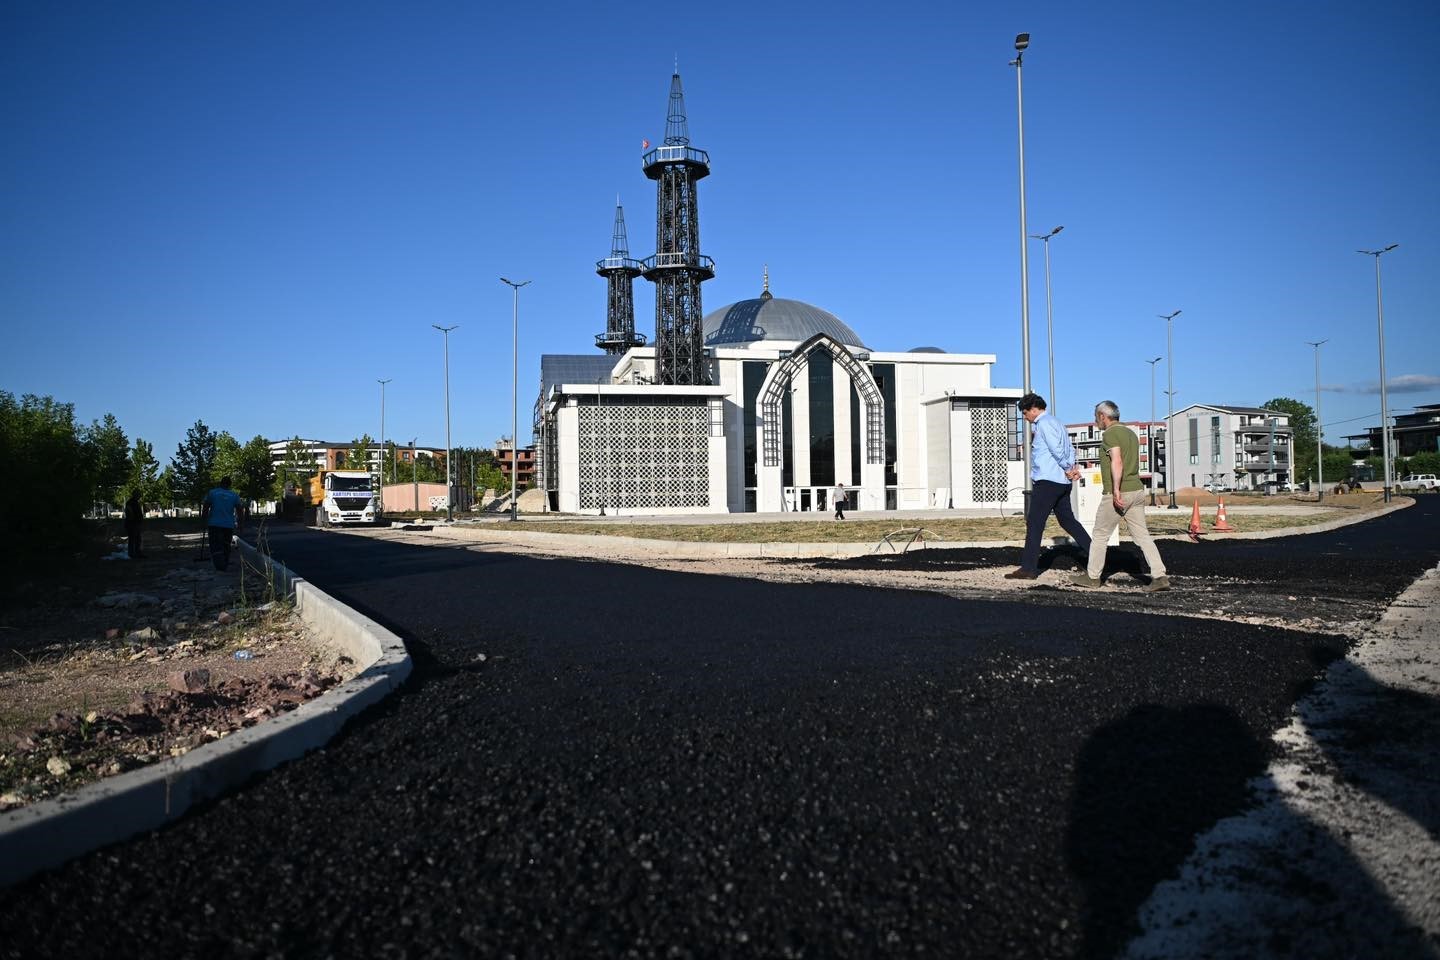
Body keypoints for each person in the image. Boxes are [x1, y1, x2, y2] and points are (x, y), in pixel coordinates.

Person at [1073, 401, 1169, 592]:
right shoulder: (1130, 434)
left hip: (1119, 492)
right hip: (1137, 490)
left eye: (1096, 417)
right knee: (1142, 536)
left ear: (1103, 416)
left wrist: (1116, 490)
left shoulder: (1110, 434)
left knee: (1100, 535)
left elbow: (1117, 461)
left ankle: (1093, 577)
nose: (1095, 421)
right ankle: (1160, 576)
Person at [1004, 394, 1092, 580]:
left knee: (1035, 523)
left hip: (1048, 482)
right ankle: (1097, 557)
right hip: (1062, 483)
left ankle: (1028, 569)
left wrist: (1068, 469)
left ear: (1034, 409)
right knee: (1068, 521)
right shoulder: (1057, 423)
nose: (1025, 417)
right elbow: (1069, 449)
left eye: (1025, 413)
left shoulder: (1043, 424)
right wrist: (1071, 469)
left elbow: (1056, 450)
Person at [201, 476, 244, 572]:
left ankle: (219, 565)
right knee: (226, 545)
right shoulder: (234, 495)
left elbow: (206, 506)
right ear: (230, 485)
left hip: (214, 524)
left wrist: (204, 520)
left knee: (215, 544)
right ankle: (224, 563)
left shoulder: (212, 493)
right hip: (228, 524)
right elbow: (240, 510)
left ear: (220, 483)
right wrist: (240, 524)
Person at [123, 491, 145, 559]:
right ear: (135, 495)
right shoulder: (131, 502)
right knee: (132, 539)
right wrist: (133, 520)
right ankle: (132, 554)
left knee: (137, 539)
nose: (140, 496)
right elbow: (129, 512)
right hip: (132, 523)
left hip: (135, 523)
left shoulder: (135, 502)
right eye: (139, 495)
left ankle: (137, 553)